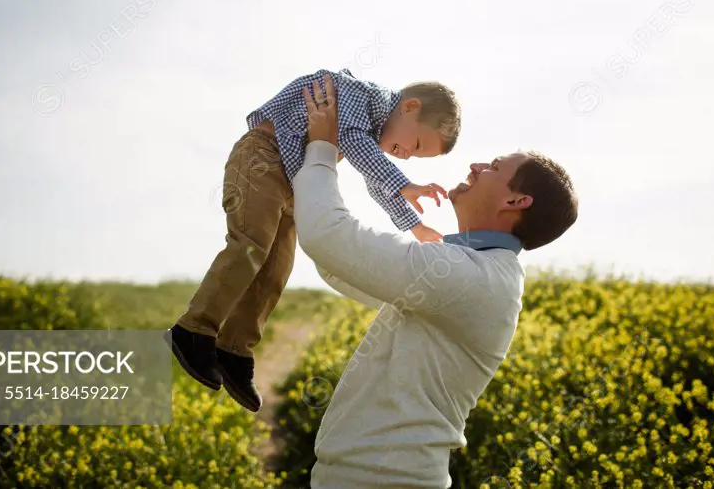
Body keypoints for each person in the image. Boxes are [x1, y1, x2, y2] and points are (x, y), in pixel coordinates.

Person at [294, 75, 578, 489]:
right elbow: (337, 264)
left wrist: (321, 147)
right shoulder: (472, 269)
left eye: (494, 168)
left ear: (515, 202)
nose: (476, 166)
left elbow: (329, 239)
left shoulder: (471, 276)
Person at [166, 68, 462, 412]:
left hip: (293, 185)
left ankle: (235, 349)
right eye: (417, 145)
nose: (406, 156)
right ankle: (194, 329)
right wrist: (404, 183)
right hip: (263, 159)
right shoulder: (359, 93)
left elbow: (371, 175)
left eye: (415, 156)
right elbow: (354, 143)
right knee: (251, 245)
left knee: (277, 269)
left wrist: (415, 225)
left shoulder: (372, 131)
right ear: (410, 107)